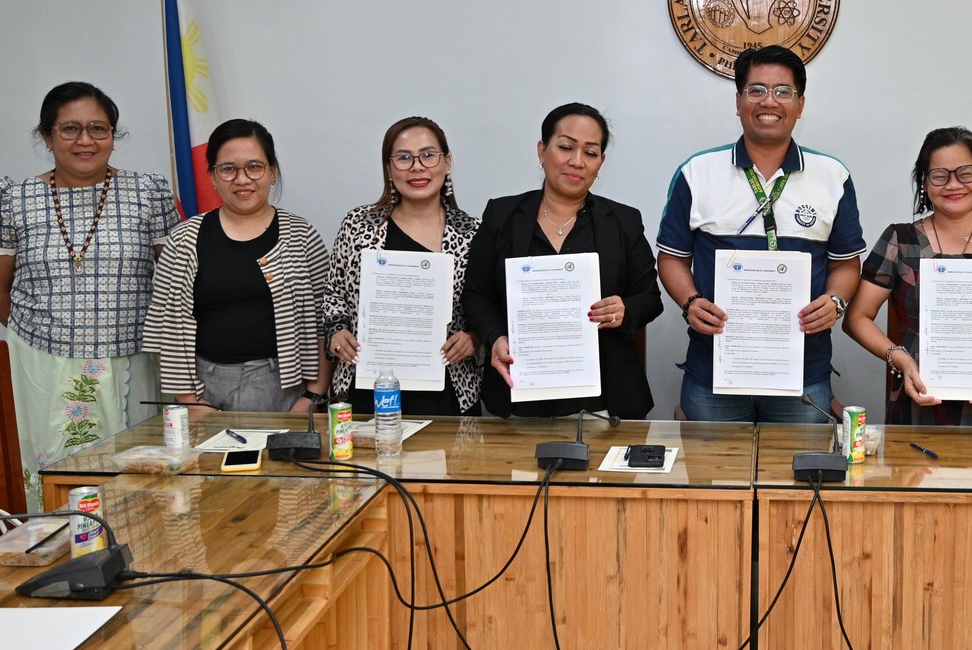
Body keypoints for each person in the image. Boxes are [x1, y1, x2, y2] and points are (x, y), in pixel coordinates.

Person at [0, 82, 180, 506]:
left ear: (113, 136)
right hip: (46, 365)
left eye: (98, 129)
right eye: (69, 129)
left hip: (136, 359)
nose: (85, 140)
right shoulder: (14, 199)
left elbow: (176, 279)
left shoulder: (149, 193)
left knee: (138, 481)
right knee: (61, 481)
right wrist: (47, 336)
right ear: (47, 136)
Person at [658, 46, 866, 423]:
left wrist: (835, 301)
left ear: (800, 105)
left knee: (799, 481)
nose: (769, 101)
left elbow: (847, 263)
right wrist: (690, 303)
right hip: (713, 373)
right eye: (756, 90)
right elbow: (672, 258)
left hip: (804, 374)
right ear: (738, 101)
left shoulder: (832, 176)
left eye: (783, 91)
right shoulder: (697, 172)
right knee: (713, 480)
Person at [463, 103, 662, 419]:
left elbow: (650, 299)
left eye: (591, 152)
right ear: (542, 150)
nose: (577, 161)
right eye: (566, 147)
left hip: (606, 400)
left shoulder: (623, 221)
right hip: (520, 394)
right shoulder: (502, 216)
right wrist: (496, 337)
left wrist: (625, 310)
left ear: (601, 162)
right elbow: (476, 294)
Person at [844, 127, 972, 425]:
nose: (953, 184)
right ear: (924, 182)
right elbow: (856, 318)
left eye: (965, 173)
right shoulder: (900, 239)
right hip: (918, 404)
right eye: (940, 175)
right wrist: (901, 359)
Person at [143, 120, 332, 413]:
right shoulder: (184, 239)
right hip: (204, 388)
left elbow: (324, 322)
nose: (242, 179)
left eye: (254, 166)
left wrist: (313, 397)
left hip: (285, 388)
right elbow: (163, 328)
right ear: (213, 177)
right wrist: (190, 402)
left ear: (272, 172)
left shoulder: (301, 235)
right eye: (228, 169)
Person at [323, 117, 483, 416]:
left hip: (449, 389)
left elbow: (487, 306)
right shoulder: (358, 226)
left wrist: (474, 339)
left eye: (428, 155)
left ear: (447, 162)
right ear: (388, 167)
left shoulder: (473, 233)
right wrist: (337, 332)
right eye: (404, 158)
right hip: (366, 386)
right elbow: (334, 293)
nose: (417, 167)